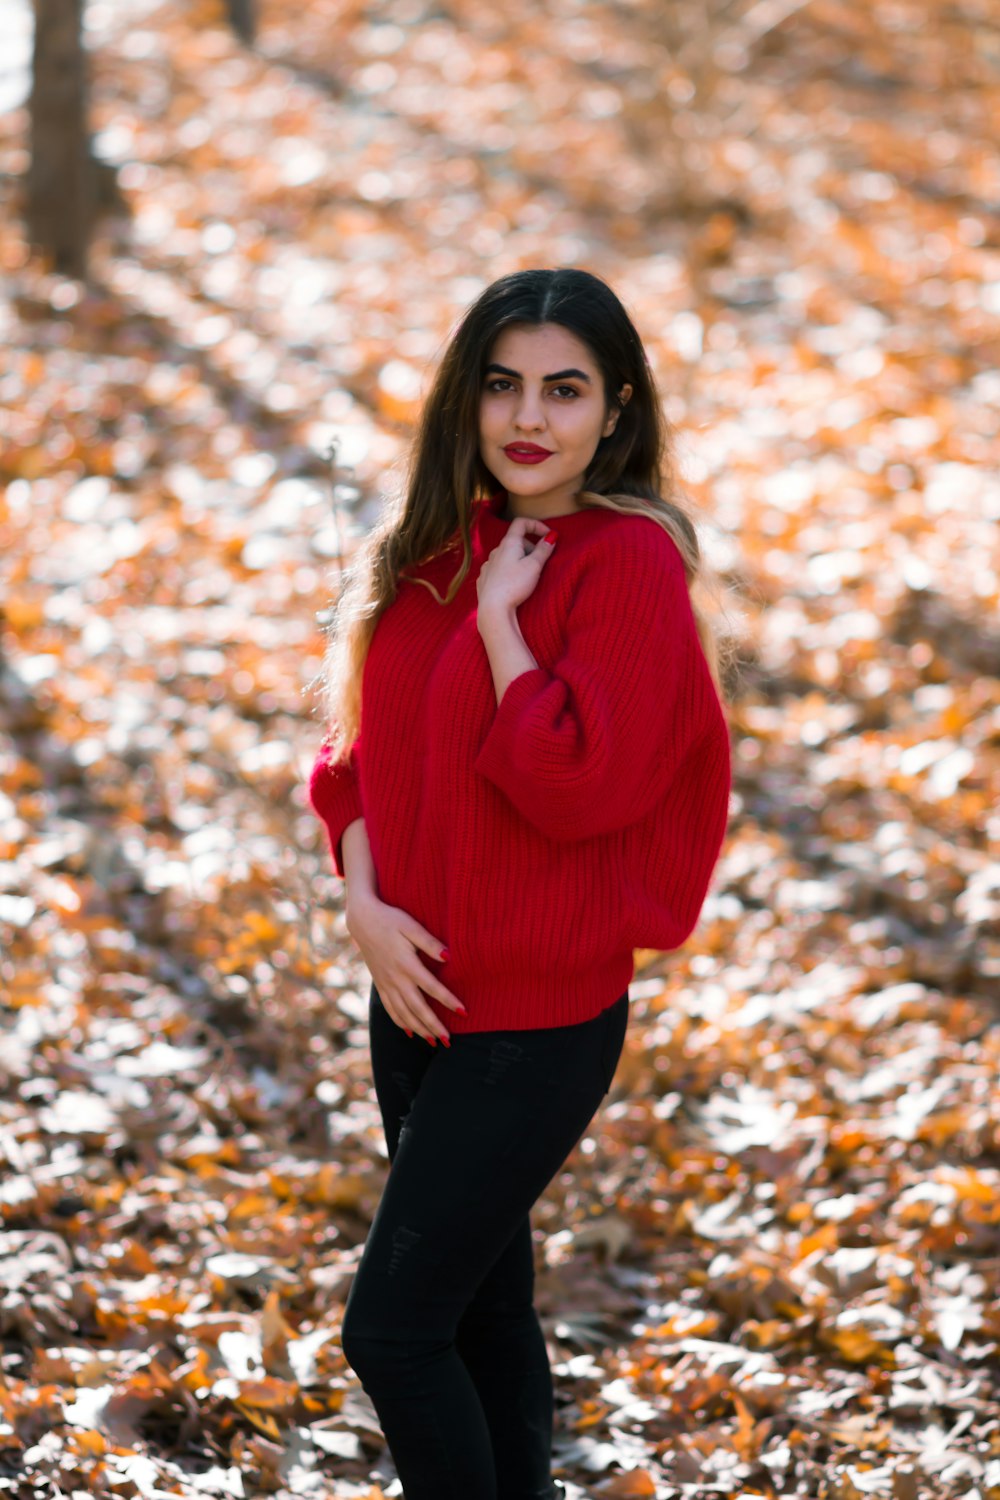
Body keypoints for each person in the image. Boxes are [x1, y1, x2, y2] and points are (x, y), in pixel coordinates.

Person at [306, 267, 733, 1499]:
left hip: (533, 1021)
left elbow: (579, 786)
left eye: (563, 387)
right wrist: (363, 901)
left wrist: (505, 629)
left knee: (389, 1332)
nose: (527, 417)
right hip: (413, 991)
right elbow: (353, 760)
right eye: (501, 384)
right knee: (482, 1319)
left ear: (617, 407)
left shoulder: (628, 568)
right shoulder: (434, 545)